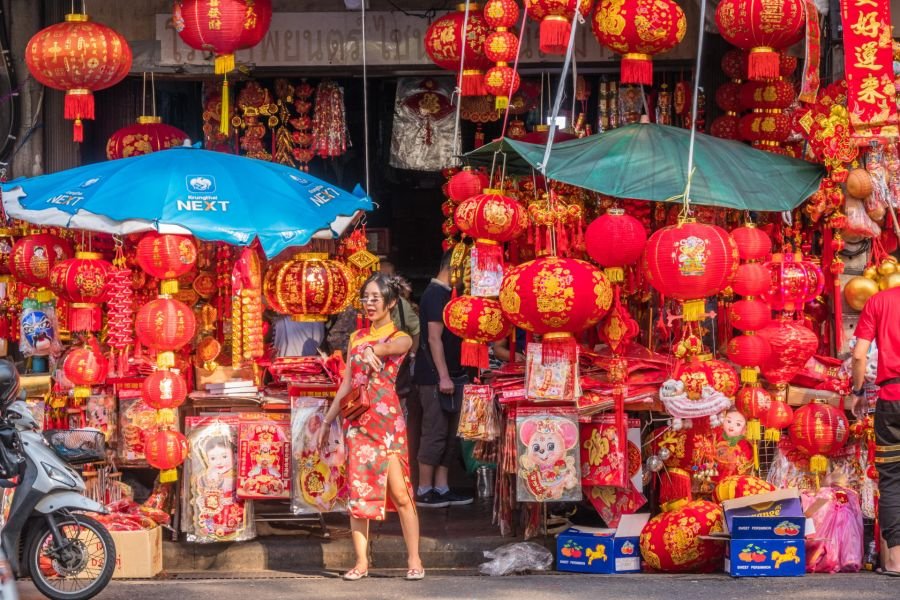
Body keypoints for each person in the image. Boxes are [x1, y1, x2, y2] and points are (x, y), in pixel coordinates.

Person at [321, 273, 423, 581]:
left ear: (390, 302)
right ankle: (361, 562)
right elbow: (347, 384)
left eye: (376, 298)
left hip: (388, 423)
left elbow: (398, 346)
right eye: (366, 297)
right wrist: (328, 420)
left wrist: (374, 350)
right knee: (359, 492)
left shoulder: (400, 336)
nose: (369, 303)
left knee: (401, 492)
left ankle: (415, 559)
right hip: (357, 422)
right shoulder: (355, 337)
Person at [412, 251, 473, 508]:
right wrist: (444, 376)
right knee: (435, 431)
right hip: (435, 377)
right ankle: (424, 488)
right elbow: (433, 338)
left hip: (454, 375)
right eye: (468, 268)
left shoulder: (451, 295)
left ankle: (442, 486)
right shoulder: (435, 294)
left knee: (451, 434)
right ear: (454, 267)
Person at [852, 285, 900, 576]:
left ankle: (895, 560)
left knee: (892, 477)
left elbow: (860, 355)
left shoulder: (880, 301)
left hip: (892, 398)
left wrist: (858, 391)